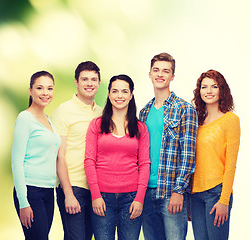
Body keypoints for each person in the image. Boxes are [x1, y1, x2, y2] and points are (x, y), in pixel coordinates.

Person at [139, 52, 198, 240]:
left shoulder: (184, 109)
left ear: (172, 76)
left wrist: (179, 191)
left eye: (166, 71)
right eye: (156, 70)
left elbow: (188, 155)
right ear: (149, 74)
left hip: (170, 192)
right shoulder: (143, 112)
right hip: (146, 193)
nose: (160, 74)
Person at [84, 74, 150, 240]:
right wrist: (96, 195)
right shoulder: (96, 125)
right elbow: (89, 161)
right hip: (102, 198)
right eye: (115, 91)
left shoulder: (141, 128)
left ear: (131, 95)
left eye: (124, 91)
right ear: (109, 94)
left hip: (131, 199)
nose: (119, 96)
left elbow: (144, 164)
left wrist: (139, 199)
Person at [51, 61, 102, 240]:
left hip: (96, 189)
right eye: (84, 79)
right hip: (73, 186)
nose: (89, 83)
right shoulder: (63, 111)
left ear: (99, 83)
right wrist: (68, 194)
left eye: (93, 79)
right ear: (76, 82)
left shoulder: (103, 113)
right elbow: (59, 156)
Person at [190, 69, 240, 240]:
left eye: (214, 86)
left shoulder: (230, 120)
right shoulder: (196, 121)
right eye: (204, 87)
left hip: (216, 193)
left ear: (222, 90)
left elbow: (231, 163)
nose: (209, 91)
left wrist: (224, 200)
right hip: (195, 195)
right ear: (199, 91)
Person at [12, 71, 61, 239]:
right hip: (30, 191)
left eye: (49, 88)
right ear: (30, 90)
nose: (45, 93)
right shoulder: (25, 118)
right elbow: (16, 161)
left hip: (48, 191)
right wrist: (23, 202)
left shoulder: (48, 119)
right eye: (40, 88)